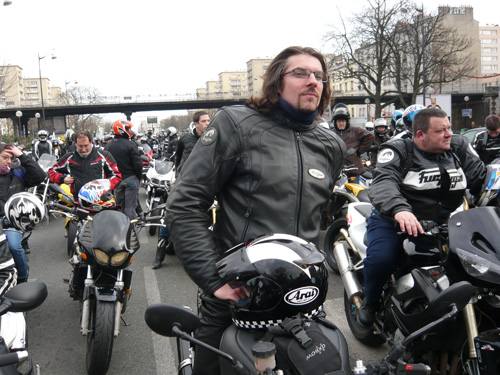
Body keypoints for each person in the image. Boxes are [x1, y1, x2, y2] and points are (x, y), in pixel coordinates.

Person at [166, 46, 345, 375]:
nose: (313, 82)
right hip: (238, 293)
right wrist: (213, 278)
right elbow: (185, 203)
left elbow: (318, 215)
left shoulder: (331, 143)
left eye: (320, 76)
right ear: (277, 83)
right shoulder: (237, 122)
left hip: (298, 294)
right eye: (301, 73)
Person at [358, 107, 487, 327]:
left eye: (449, 127)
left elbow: (480, 178)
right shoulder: (398, 150)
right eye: (440, 131)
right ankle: (370, 301)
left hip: (446, 223)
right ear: (420, 135)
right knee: (382, 260)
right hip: (395, 220)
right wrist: (400, 209)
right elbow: (383, 183)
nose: (448, 134)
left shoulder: (457, 146)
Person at [0, 144, 46, 283]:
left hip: (12, 220)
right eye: (5, 157)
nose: (9, 161)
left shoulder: (17, 172)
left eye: (11, 158)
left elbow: (40, 176)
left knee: (13, 246)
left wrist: (21, 156)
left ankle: (22, 278)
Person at [49, 130, 121, 199]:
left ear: (91, 142)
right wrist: (62, 179)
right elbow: (52, 171)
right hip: (78, 200)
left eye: (86, 146)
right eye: (80, 146)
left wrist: (104, 186)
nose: (83, 149)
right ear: (75, 144)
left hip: (100, 199)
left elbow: (116, 175)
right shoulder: (69, 157)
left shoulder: (104, 155)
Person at [105, 120, 143, 220]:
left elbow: (105, 165)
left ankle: (119, 230)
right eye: (127, 128)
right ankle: (131, 232)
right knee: (130, 208)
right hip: (130, 178)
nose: (129, 130)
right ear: (121, 130)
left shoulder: (108, 146)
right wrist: (139, 178)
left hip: (116, 180)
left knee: (119, 207)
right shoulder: (130, 144)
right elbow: (138, 164)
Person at [331, 105, 374, 182]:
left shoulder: (355, 131)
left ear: (347, 121)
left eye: (343, 121)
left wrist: (359, 151)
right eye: (339, 121)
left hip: (354, 171)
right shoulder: (331, 133)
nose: (341, 123)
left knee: (354, 192)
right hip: (336, 172)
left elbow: (370, 136)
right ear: (335, 122)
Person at [175, 111, 210, 177]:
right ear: (196, 124)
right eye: (203, 121)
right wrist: (177, 175)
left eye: (208, 121)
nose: (207, 123)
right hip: (186, 178)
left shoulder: (212, 139)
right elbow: (177, 156)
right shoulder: (184, 138)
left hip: (204, 179)